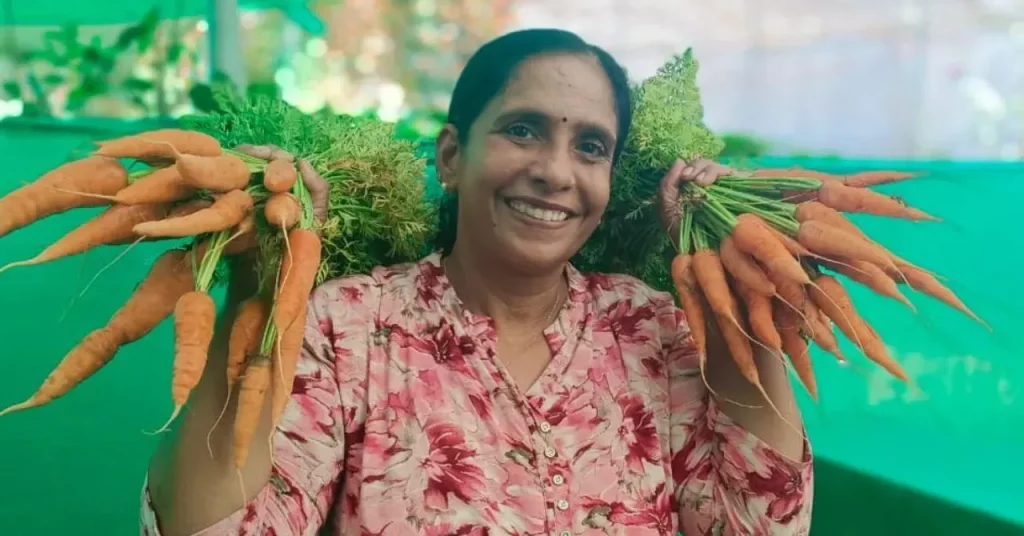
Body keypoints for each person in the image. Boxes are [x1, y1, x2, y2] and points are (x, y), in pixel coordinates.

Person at [143, 28, 812, 536]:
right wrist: (256, 289)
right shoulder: (349, 326)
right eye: (523, 131)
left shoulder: (651, 330)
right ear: (452, 156)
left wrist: (736, 286)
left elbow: (759, 521)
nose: (556, 171)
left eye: (590, 147)